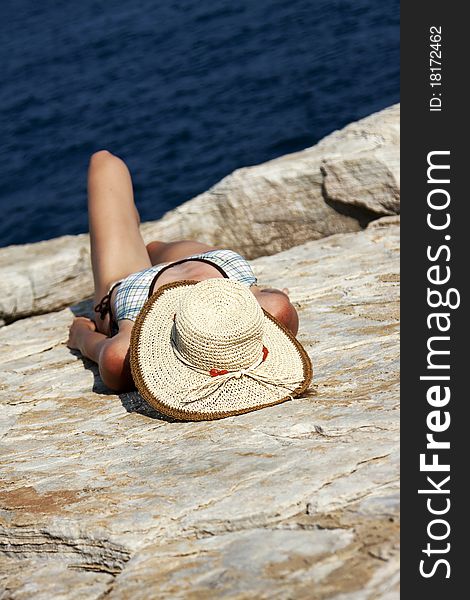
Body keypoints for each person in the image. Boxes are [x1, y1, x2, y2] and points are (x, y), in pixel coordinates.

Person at [67, 151, 303, 398]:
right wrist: (82, 335)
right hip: (146, 293)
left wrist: (80, 336)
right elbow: (97, 346)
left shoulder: (276, 308)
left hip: (216, 268)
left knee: (104, 162)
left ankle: (140, 240)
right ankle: (137, 239)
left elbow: (275, 297)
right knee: (103, 165)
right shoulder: (124, 355)